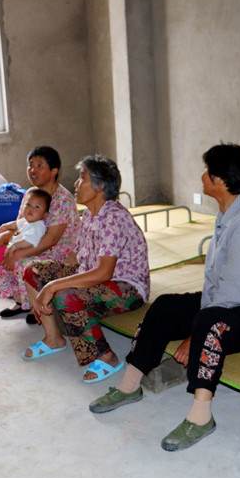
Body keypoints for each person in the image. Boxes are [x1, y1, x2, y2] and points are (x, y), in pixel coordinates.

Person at [89, 143, 240, 451]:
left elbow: (236, 289)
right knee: (166, 306)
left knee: (210, 323)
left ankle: (200, 417)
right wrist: (195, 321)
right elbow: (221, 284)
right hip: (232, 300)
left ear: (220, 180)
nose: (202, 176)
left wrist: (195, 334)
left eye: (206, 171)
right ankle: (129, 385)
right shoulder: (231, 211)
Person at [24, 155, 149, 384]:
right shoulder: (90, 214)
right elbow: (78, 257)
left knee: (66, 296)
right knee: (34, 270)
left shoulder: (114, 217)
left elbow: (104, 273)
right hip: (94, 275)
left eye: (82, 178)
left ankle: (107, 356)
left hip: (126, 287)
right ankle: (53, 338)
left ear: (100, 186)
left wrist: (53, 286)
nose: (76, 183)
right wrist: (54, 273)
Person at [0, 146, 79, 323]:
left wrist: (18, 253)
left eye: (39, 165)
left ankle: (36, 307)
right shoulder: (31, 194)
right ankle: (21, 301)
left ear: (54, 171)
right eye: (30, 165)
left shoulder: (62, 199)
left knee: (22, 263)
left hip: (59, 252)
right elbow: (21, 225)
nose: (33, 170)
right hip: (30, 243)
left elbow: (50, 240)